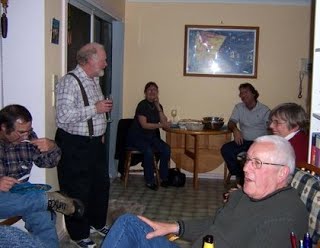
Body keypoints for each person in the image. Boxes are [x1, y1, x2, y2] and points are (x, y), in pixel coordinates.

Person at [101, 135, 308, 248]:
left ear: (282, 173)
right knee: (129, 223)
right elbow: (217, 223)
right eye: (247, 159)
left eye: (257, 163)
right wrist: (173, 227)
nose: (245, 168)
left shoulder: (283, 218)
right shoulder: (246, 195)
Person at [0, 104, 84, 248]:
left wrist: (52, 147)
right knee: (39, 204)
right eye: (21, 132)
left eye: (29, 131)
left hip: (22, 190)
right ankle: (47, 199)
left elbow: (47, 163)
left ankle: (45, 201)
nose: (26, 135)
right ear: (3, 127)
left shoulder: (28, 137)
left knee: (43, 218)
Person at [55, 42, 112, 247]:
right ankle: (79, 234)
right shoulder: (69, 82)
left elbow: (94, 113)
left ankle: (96, 223)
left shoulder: (94, 80)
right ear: (90, 60)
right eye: (103, 59)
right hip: (75, 145)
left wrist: (101, 131)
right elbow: (63, 116)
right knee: (77, 189)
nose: (106, 63)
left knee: (100, 185)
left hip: (95, 143)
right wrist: (94, 109)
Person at [221, 83, 270, 183]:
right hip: (243, 141)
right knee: (226, 149)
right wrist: (235, 130)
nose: (243, 95)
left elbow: (271, 128)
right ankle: (241, 175)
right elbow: (231, 122)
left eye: (246, 92)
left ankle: (248, 177)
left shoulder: (264, 110)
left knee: (255, 156)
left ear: (253, 94)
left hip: (259, 143)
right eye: (241, 93)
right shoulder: (239, 107)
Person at [126, 82, 171, 191]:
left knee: (166, 149)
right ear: (145, 92)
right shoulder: (142, 105)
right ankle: (149, 181)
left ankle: (163, 178)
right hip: (137, 137)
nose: (152, 92)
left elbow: (164, 121)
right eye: (149, 90)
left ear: (157, 93)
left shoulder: (158, 106)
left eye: (154, 90)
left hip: (150, 136)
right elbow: (144, 125)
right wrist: (161, 125)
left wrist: (158, 107)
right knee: (149, 151)